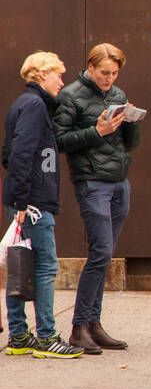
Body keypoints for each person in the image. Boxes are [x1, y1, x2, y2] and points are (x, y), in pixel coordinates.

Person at [53, 43, 139, 354]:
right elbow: (59, 141)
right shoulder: (71, 95)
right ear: (90, 67)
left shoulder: (116, 94)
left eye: (115, 73)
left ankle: (93, 324)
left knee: (105, 254)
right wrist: (97, 131)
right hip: (91, 181)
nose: (109, 78)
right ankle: (79, 327)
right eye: (104, 72)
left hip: (118, 181)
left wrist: (130, 122)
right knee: (101, 252)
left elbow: (129, 145)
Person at [2, 53, 82, 358]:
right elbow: (19, 154)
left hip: (26, 198)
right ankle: (48, 338)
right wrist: (23, 199)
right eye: (57, 76)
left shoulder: (27, 104)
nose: (61, 82)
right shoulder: (35, 106)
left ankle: (20, 336)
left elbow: (7, 154)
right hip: (33, 202)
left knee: (20, 265)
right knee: (45, 266)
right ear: (40, 75)